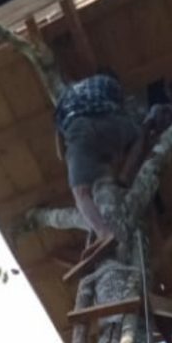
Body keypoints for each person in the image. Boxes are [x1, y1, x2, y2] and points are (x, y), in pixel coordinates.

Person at [54, 70, 142, 248]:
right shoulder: (109, 83)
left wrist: (72, 158)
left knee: (81, 192)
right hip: (113, 124)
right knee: (139, 136)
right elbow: (123, 109)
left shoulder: (66, 96)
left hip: (80, 129)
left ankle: (104, 233)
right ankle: (124, 176)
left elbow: (59, 146)